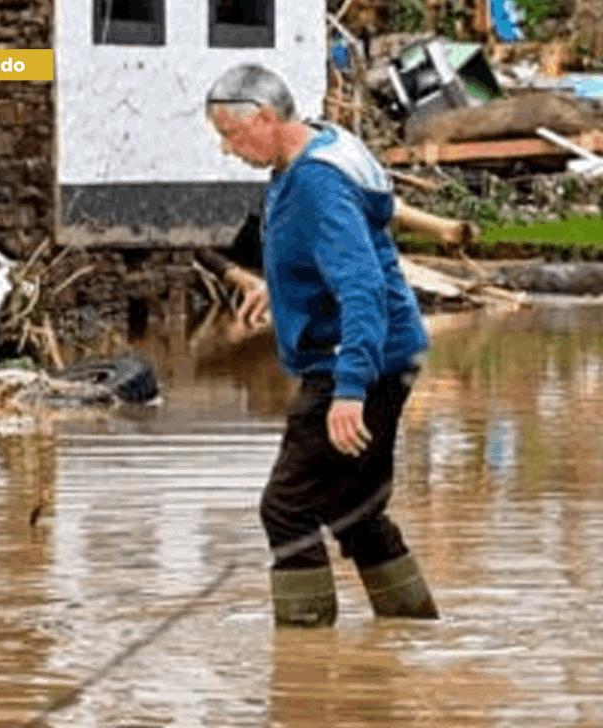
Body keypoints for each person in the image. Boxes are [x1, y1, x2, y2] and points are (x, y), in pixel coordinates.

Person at [204, 63, 439, 628]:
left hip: (355, 363)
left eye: (231, 135)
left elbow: (362, 287)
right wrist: (279, 291)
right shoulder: (317, 148)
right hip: (384, 355)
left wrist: (350, 388)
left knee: (286, 509)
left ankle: (304, 663)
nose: (227, 150)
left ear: (263, 117)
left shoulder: (316, 182)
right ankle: (409, 633)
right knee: (354, 512)